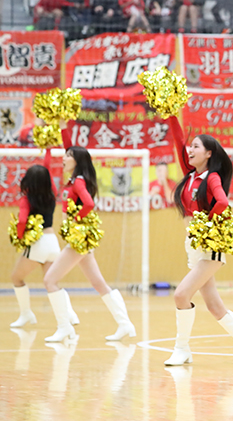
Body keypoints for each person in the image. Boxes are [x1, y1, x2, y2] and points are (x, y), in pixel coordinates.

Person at [164, 116, 233, 366]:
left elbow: (222, 202)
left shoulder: (212, 177)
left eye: (196, 146)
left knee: (181, 295)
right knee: (214, 306)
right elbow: (178, 141)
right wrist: (170, 114)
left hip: (210, 246)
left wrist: (206, 224)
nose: (190, 150)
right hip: (193, 245)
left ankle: (181, 348)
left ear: (208, 153)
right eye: (191, 146)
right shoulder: (190, 175)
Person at [41, 122, 137, 342]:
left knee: (50, 280)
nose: (64, 157)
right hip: (80, 238)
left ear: (77, 161)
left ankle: (64, 327)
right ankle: (125, 324)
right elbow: (71, 148)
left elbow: (89, 204)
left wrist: (76, 222)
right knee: (98, 282)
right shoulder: (75, 178)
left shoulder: (79, 182)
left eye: (68, 156)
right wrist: (63, 127)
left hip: (79, 239)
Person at [10, 147, 80, 329]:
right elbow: (47, 169)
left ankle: (26, 314)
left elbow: (22, 221)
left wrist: (19, 237)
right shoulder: (52, 194)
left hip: (37, 244)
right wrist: (48, 150)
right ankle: (69, 313)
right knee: (52, 282)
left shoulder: (26, 199)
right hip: (52, 243)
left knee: (16, 278)